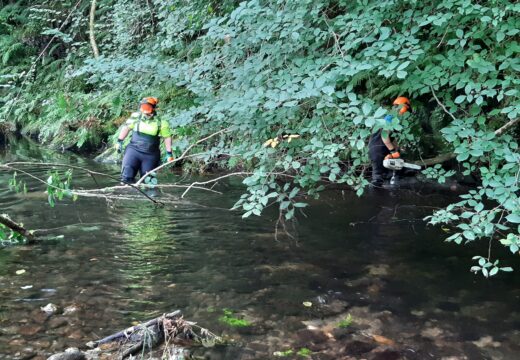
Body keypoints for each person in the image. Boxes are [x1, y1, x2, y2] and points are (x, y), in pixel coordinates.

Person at [115, 97, 174, 184]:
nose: (145, 111)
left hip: (151, 155)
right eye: (143, 107)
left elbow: (167, 137)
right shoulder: (135, 117)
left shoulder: (161, 122)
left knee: (148, 181)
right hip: (133, 151)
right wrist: (119, 141)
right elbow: (126, 128)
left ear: (153, 108)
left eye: (147, 108)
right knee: (126, 177)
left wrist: (169, 153)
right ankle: (126, 194)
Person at [368, 96, 411, 187]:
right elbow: (385, 137)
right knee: (377, 178)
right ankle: (374, 197)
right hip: (377, 149)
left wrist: (397, 150)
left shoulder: (395, 119)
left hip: (384, 147)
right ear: (402, 108)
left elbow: (393, 137)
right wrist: (392, 151)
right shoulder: (389, 118)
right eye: (406, 110)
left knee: (396, 166)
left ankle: (392, 185)